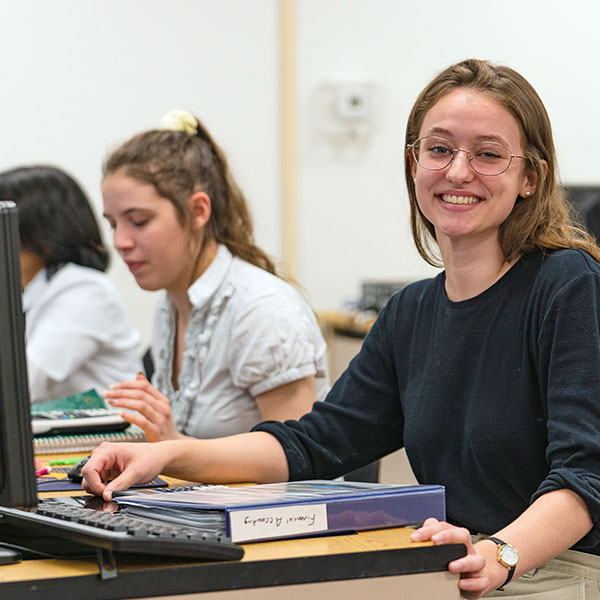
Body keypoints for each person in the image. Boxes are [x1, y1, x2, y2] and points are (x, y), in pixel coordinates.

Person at [83, 59, 600, 598]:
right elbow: (312, 443)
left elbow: (587, 477)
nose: (457, 171)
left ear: (530, 178)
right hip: (458, 564)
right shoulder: (410, 312)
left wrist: (498, 555)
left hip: (553, 571)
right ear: (414, 162)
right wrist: (168, 454)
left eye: (489, 154)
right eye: (439, 149)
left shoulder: (566, 284)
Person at [100, 110, 329, 442]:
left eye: (138, 221)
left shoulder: (262, 310)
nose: (120, 241)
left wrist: (171, 447)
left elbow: (299, 467)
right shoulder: (172, 302)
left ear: (197, 211)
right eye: (112, 224)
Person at [0, 165, 142, 403]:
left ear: (40, 233)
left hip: (113, 438)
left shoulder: (86, 292)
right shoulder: (31, 292)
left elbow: (22, 385)